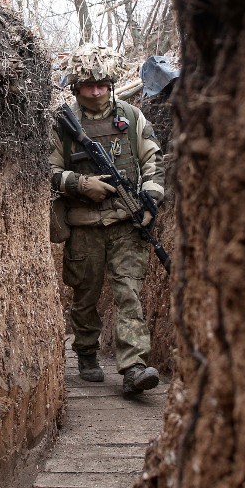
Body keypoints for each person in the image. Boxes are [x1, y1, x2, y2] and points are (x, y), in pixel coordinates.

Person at [49, 44, 164, 396]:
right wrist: (81, 183)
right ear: (76, 87)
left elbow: (153, 163)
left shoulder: (131, 117)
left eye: (102, 84)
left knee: (128, 292)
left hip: (126, 225)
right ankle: (85, 352)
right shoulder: (65, 125)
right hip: (84, 226)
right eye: (88, 85)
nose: (96, 91)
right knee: (85, 294)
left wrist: (150, 200)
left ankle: (134, 367)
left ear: (111, 83)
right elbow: (48, 170)